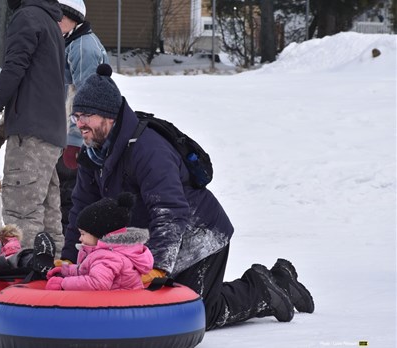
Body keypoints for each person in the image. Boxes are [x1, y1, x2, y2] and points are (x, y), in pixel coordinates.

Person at [60, 63, 315, 329]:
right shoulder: (94, 154)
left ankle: (263, 289)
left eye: (86, 115)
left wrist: (157, 266)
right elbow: (81, 209)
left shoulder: (148, 149)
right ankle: (278, 280)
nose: (79, 124)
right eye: (76, 116)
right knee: (168, 307)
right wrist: (68, 257)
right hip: (159, 242)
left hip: (199, 233)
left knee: (197, 314)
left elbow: (169, 211)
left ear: (108, 115)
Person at [0, 0, 66, 257]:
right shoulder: (50, 21)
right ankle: (52, 272)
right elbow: (41, 86)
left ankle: (25, 281)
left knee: (20, 213)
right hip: (51, 135)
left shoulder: (28, 17)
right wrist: (6, 127)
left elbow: (14, 69)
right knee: (47, 216)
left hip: (31, 138)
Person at [54, 0, 109, 236]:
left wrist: (75, 142)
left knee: (70, 194)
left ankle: (71, 246)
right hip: (64, 132)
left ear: (72, 17)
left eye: (58, 16)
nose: (54, 22)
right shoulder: (72, 42)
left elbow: (85, 101)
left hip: (76, 139)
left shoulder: (82, 48)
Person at [45, 192, 153, 291]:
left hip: (115, 306)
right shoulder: (107, 252)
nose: (80, 239)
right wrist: (65, 270)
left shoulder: (107, 257)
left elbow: (97, 283)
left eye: (83, 234)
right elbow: (86, 269)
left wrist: (63, 283)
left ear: (98, 233)